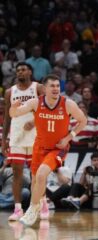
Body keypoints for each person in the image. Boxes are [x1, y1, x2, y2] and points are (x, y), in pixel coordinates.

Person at [9, 74, 87, 226]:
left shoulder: (68, 104)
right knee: (35, 179)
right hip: (39, 146)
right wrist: (13, 108)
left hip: (59, 147)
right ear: (44, 88)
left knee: (41, 174)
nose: (56, 89)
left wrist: (68, 137)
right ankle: (36, 206)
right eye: (52, 86)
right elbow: (15, 114)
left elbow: (83, 120)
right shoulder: (36, 102)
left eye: (58, 86)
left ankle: (32, 209)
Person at [2, 62, 45, 221]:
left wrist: (34, 122)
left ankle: (41, 203)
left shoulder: (38, 88)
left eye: (24, 69)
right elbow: (7, 117)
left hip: (36, 135)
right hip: (17, 136)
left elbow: (47, 108)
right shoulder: (9, 92)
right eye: (18, 70)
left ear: (30, 72)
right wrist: (4, 139)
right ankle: (18, 209)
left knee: (38, 174)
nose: (20, 72)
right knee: (17, 173)